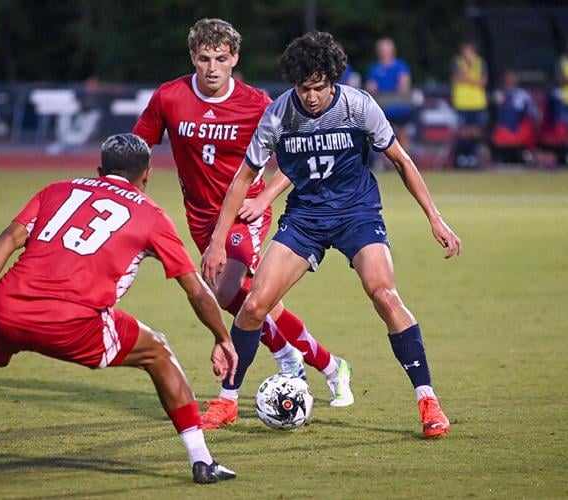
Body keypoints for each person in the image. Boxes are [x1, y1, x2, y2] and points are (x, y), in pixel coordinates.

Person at [0, 134, 238, 484]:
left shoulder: (57, 189)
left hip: (9, 309)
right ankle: (201, 461)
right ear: (147, 175)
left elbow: (9, 238)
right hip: (74, 323)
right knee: (158, 351)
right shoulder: (152, 214)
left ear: (99, 171)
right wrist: (222, 338)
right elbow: (196, 291)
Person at [201, 32, 462, 439]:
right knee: (253, 306)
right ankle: (227, 401)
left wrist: (436, 218)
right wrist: (218, 241)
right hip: (305, 218)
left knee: (384, 294)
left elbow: (401, 160)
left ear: (333, 80)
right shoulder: (279, 114)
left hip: (357, 213)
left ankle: (428, 401)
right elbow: (244, 177)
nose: (311, 97)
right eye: (304, 88)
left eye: (319, 87)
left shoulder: (358, 106)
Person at [133, 18, 354, 429]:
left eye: (221, 58)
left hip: (245, 212)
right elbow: (138, 148)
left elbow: (299, 155)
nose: (212, 67)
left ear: (234, 58)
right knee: (255, 300)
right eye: (204, 59)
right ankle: (328, 364)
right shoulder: (169, 97)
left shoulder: (257, 103)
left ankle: (252, 381)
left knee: (227, 288)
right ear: (192, 58)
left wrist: (266, 196)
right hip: (200, 218)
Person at [365, 38, 414, 151]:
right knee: (381, 136)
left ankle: (405, 159)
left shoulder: (401, 66)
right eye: (382, 50)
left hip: (400, 107)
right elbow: (371, 88)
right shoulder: (374, 69)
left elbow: (404, 85)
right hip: (383, 108)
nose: (385, 52)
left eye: (387, 50)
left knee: (402, 133)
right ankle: (386, 163)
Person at [451, 41, 489, 168]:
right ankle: (462, 157)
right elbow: (456, 79)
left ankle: (473, 157)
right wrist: (473, 79)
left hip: (477, 103)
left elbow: (483, 82)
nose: (467, 54)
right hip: (462, 103)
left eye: (469, 51)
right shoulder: (457, 62)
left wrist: (466, 78)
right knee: (463, 131)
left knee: (476, 131)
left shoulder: (480, 63)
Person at [491, 70, 539, 164]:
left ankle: (529, 157)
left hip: (519, 126)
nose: (509, 81)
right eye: (507, 79)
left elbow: (533, 111)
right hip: (504, 127)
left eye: (511, 79)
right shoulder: (500, 94)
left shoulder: (523, 94)